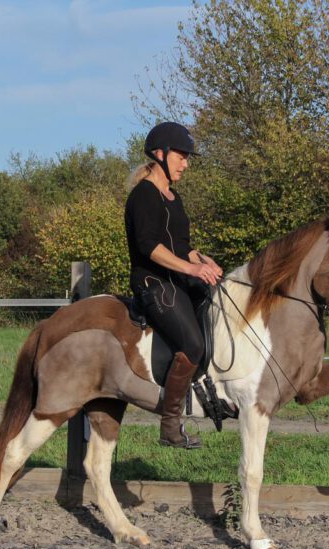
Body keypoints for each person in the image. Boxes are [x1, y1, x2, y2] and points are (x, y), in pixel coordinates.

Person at [125, 121, 223, 449]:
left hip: (177, 280)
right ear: (160, 154)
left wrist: (205, 262)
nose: (186, 163)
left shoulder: (173, 197)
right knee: (193, 344)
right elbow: (149, 246)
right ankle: (170, 426)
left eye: (186, 158)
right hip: (153, 284)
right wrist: (192, 269)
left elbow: (182, 245)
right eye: (181, 156)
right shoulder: (143, 195)